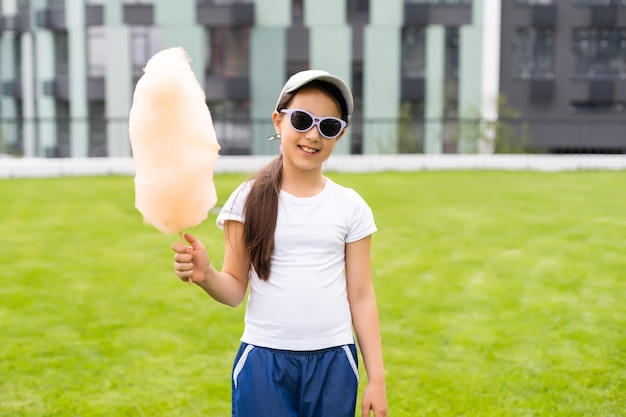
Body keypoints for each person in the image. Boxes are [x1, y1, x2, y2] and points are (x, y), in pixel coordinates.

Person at [172, 69, 388, 417]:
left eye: (328, 126)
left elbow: (361, 296)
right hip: (264, 361)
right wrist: (206, 273)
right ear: (278, 122)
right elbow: (234, 290)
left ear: (340, 134)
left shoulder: (351, 207)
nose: (313, 136)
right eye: (302, 120)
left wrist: (376, 378)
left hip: (334, 361)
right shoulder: (247, 199)